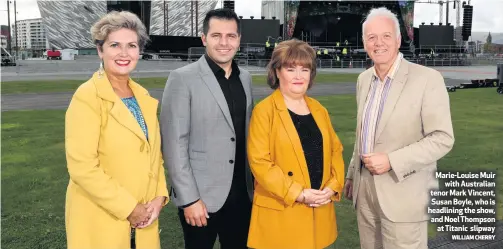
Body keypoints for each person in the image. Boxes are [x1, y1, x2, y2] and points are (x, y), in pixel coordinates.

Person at [343, 7, 454, 249]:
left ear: (398, 39)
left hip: (404, 195)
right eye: (371, 37)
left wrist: (392, 160)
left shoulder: (428, 79)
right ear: (364, 42)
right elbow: (364, 133)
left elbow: (442, 138)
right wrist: (352, 173)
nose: (378, 43)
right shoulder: (364, 80)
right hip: (365, 194)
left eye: (385, 36)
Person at [64, 11, 169, 249]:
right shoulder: (87, 97)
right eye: (115, 45)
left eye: (131, 45)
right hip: (102, 219)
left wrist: (160, 196)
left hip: (144, 221)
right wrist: (130, 209)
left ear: (139, 51)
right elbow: (83, 167)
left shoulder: (143, 97)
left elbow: (155, 157)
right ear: (100, 50)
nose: (124, 53)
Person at [160, 8, 254, 249]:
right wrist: (189, 199)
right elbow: (173, 144)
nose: (224, 42)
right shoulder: (182, 78)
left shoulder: (246, 78)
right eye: (216, 35)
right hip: (201, 199)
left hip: (243, 196)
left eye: (231, 36)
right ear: (204, 38)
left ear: (239, 39)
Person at [247, 39, 345, 249]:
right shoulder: (264, 112)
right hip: (282, 214)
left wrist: (332, 187)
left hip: (318, 212)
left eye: (305, 69)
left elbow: (336, 150)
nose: (299, 76)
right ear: (277, 72)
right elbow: (260, 163)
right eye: (291, 69)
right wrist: (298, 194)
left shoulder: (319, 109)